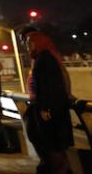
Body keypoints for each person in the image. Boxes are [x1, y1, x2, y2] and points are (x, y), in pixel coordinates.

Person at [22, 30, 73, 174]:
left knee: (53, 146)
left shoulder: (45, 58)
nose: (27, 46)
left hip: (50, 112)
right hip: (49, 109)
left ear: (38, 43)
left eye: (30, 43)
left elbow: (50, 86)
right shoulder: (41, 58)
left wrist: (46, 108)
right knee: (52, 146)